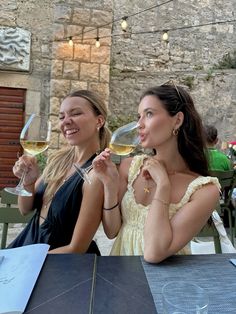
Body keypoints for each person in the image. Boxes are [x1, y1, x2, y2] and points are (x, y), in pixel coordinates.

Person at [93, 84, 220, 263]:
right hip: (121, 274)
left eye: (149, 114)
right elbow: (112, 230)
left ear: (177, 120)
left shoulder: (204, 190)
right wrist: (109, 184)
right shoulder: (130, 167)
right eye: (139, 116)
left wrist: (163, 185)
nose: (139, 125)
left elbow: (154, 253)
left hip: (164, 284)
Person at [8, 90, 111, 254]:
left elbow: (77, 248)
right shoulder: (58, 160)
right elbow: (24, 209)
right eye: (62, 117)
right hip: (28, 244)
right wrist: (28, 181)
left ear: (99, 121)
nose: (66, 122)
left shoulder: (96, 173)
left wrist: (27, 260)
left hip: (57, 262)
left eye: (76, 113)